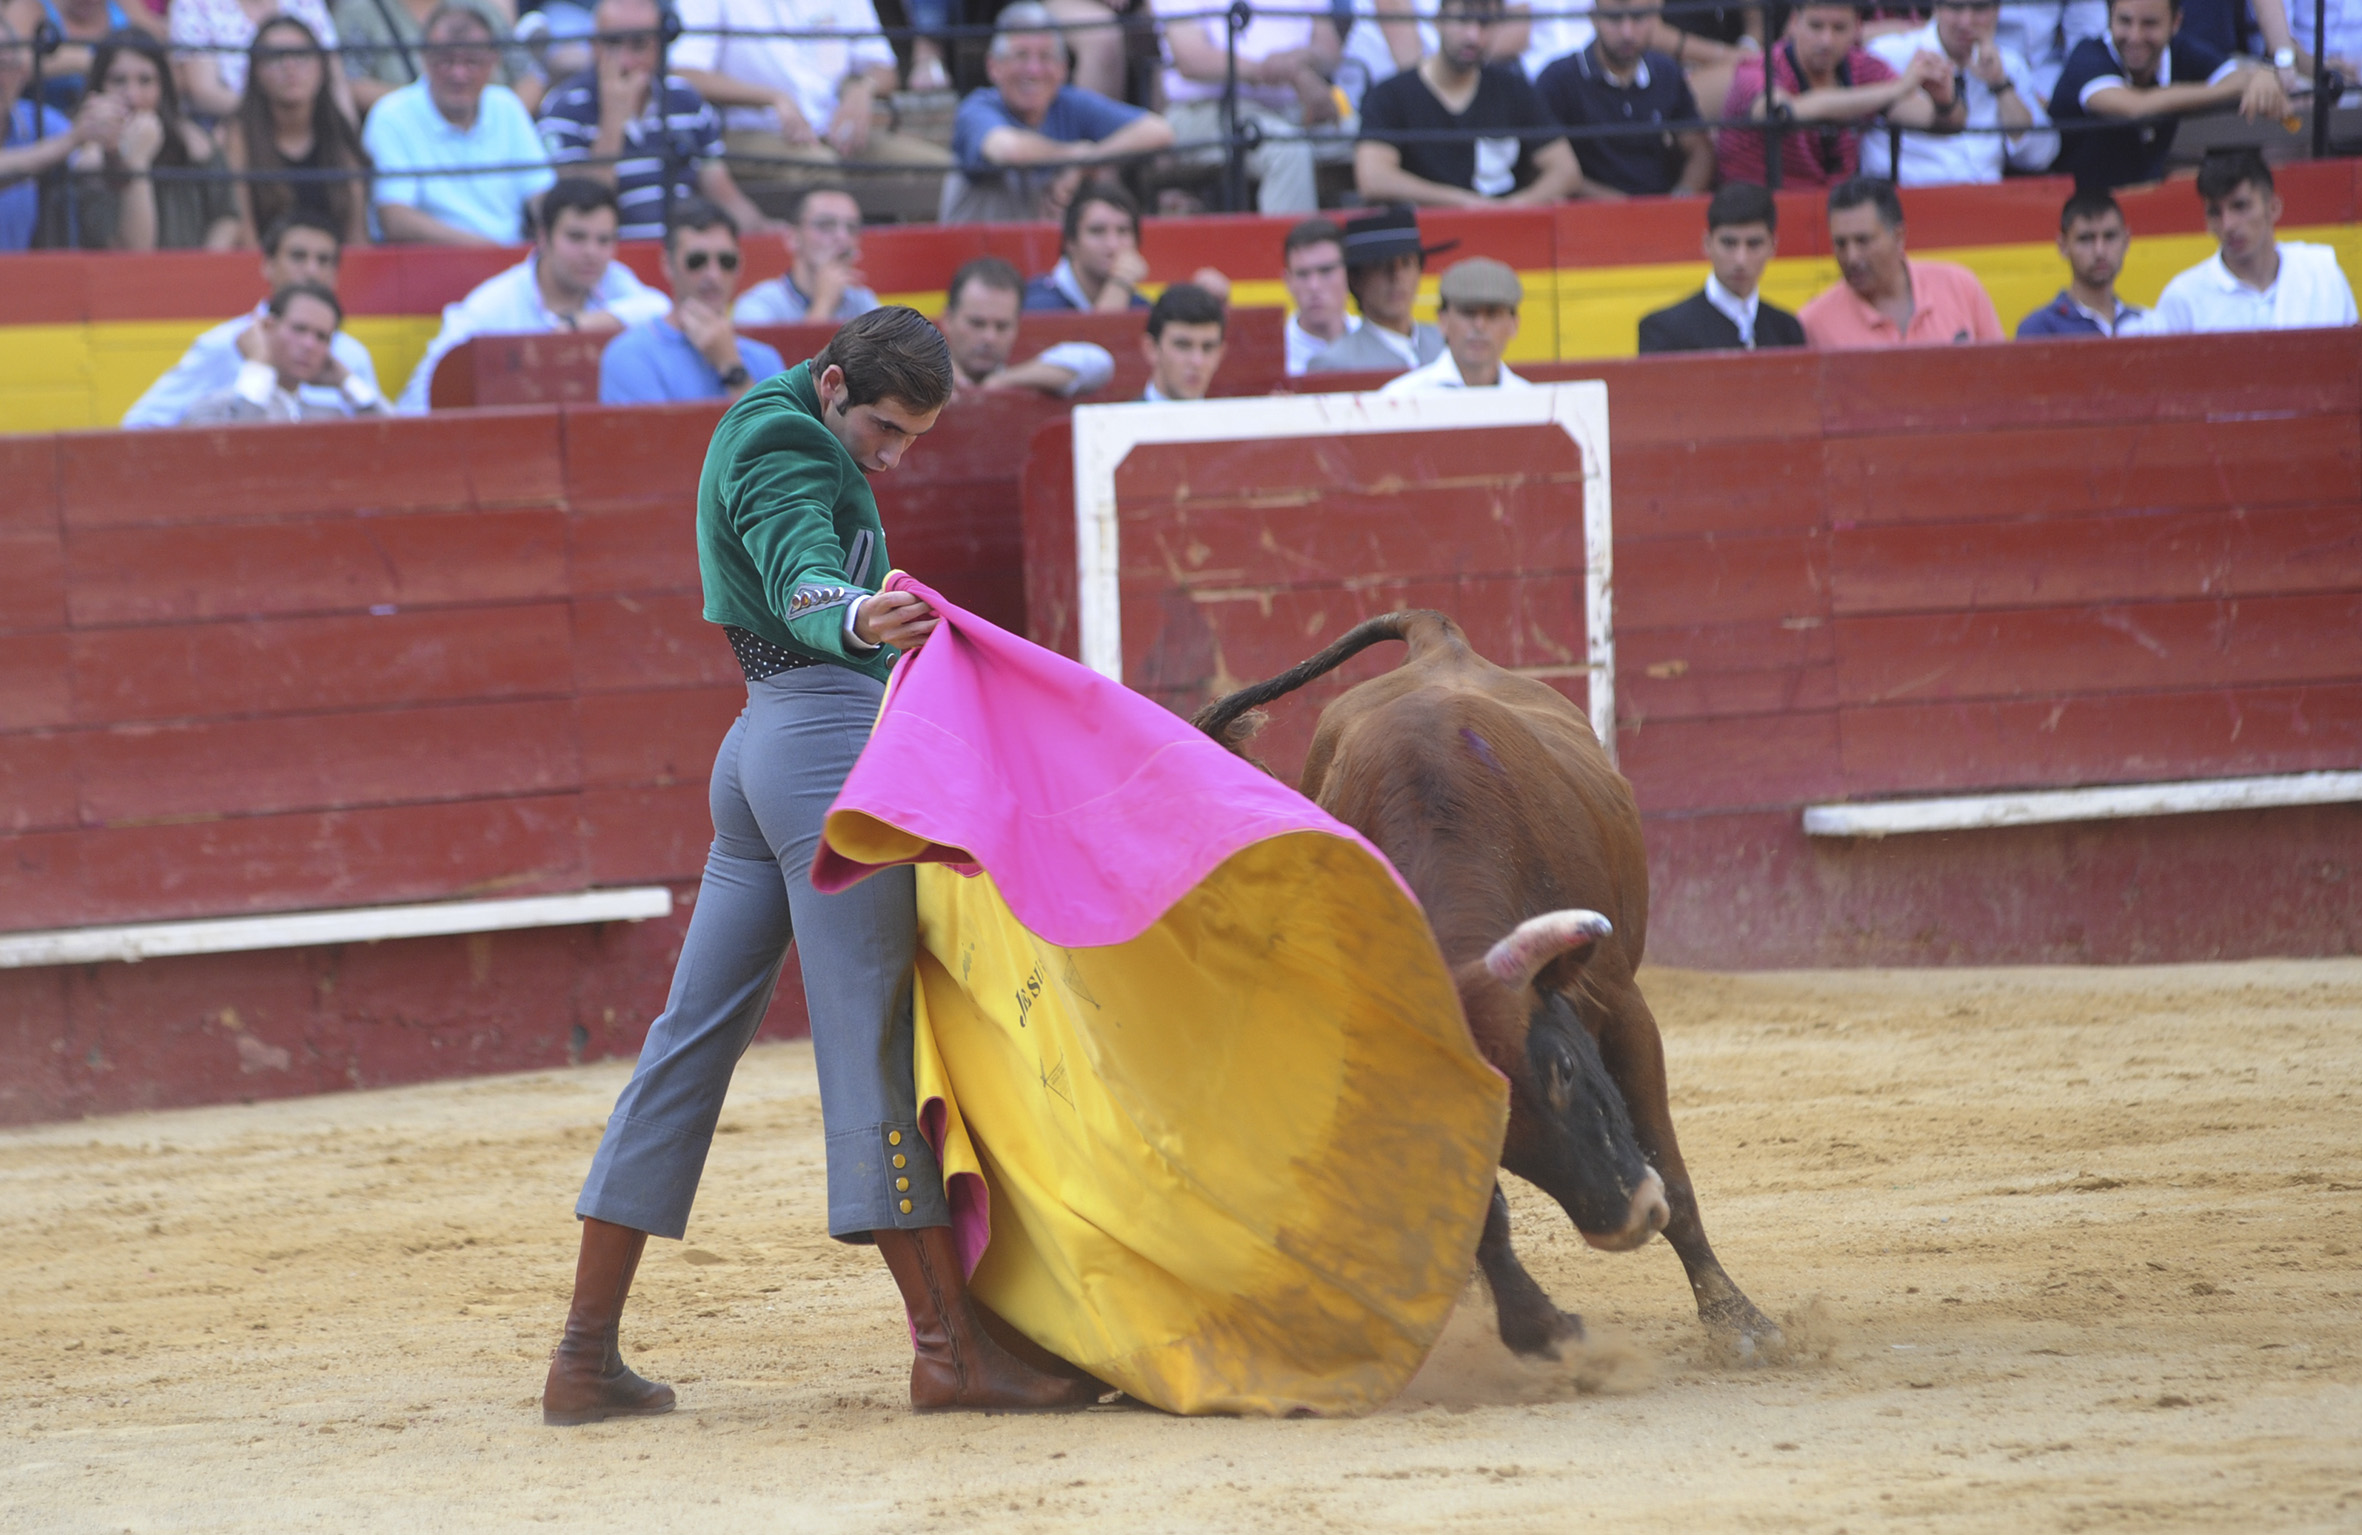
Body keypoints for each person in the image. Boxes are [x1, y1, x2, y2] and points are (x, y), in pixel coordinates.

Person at [544, 306, 1106, 1425]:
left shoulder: (772, 417)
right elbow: (802, 574)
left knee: (687, 1041)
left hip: (759, 740)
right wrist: (858, 615)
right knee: (872, 1046)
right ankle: (950, 1351)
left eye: (913, 439)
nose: (894, 457)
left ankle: (582, 1355)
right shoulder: (788, 441)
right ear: (836, 379)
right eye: (887, 430)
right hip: (821, 751)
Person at [394, 177, 670, 412]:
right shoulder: (493, 303)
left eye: (604, 240)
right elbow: (423, 389)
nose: (592, 252)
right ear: (543, 237)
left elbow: (660, 309)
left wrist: (581, 324)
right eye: (576, 237)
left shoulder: (614, 279)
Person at [668, 0, 951, 222]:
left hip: (835, 133)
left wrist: (864, 88)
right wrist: (770, 98)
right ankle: (840, 280)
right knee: (820, 171)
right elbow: (684, 74)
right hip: (748, 131)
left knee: (945, 172)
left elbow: (885, 69)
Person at [536, 0, 771, 243]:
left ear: (659, 47)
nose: (624, 61)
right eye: (612, 43)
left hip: (683, 259)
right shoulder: (564, 108)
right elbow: (583, 212)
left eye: (638, 44)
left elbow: (724, 194)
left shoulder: (685, 99)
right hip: (609, 261)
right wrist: (614, 118)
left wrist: (771, 234)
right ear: (594, 46)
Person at [124, 209, 381, 426]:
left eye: (323, 260)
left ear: (336, 275)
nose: (311, 271)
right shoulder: (223, 344)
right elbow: (142, 425)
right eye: (298, 256)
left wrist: (350, 385)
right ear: (267, 265)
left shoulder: (351, 356)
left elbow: (388, 437)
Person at [940, 2, 1174, 225]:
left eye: (1045, 57)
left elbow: (1158, 131)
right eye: (1021, 55)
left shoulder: (1069, 103)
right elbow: (1008, 150)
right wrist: (1074, 155)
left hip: (1043, 257)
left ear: (1063, 69)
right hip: (975, 258)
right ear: (994, 67)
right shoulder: (977, 107)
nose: (1034, 70)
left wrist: (1087, 162)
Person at [1357, 0, 1584, 208]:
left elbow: (1566, 171)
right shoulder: (1390, 94)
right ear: (1438, 21)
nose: (1473, 35)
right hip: (1424, 238)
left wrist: (1514, 207)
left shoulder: (1513, 90)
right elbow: (1373, 178)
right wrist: (1461, 202)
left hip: (1504, 236)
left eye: (1484, 23)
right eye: (1463, 20)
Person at [2049, 0, 2287, 191]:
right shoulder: (2088, 55)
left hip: (2142, 205)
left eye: (2149, 23)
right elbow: (2135, 106)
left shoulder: (2182, 49)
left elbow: (2234, 75)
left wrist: (2261, 75)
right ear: (2109, 17)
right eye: (2125, 21)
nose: (2135, 36)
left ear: (2176, 22)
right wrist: (2239, 84)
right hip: (2073, 209)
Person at [364, 5, 553, 245]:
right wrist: (489, 253)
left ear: (493, 61)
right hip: (429, 263)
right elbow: (396, 219)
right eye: (446, 61)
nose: (459, 74)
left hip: (512, 263)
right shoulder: (390, 115)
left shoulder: (507, 106)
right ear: (424, 58)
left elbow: (543, 197)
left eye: (472, 62)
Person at [1715, 0, 1955, 189]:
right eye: (1816, 26)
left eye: (1839, 28)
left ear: (1858, 28)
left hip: (1839, 213)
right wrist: (1896, 89)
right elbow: (1781, 112)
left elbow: (1930, 119)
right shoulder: (1757, 68)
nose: (1826, 40)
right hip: (1760, 216)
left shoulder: (1865, 67)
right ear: (1794, 23)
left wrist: (1944, 102)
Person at [45, 28, 238, 250]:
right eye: (119, 81)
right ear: (99, 86)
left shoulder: (196, 143)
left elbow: (227, 215)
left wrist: (204, 270)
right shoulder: (84, 157)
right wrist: (138, 161)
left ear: (162, 86)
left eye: (145, 81)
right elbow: (134, 250)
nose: (132, 96)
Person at [1149, 0, 1339, 214]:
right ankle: (1295, 245)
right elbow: (1191, 59)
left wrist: (1298, 60)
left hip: (1298, 106)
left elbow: (1330, 50)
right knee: (1287, 150)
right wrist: (1292, 74)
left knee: (1367, 136)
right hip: (1205, 110)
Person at [2148, 150, 2358, 332]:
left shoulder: (2321, 273)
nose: (2228, 225)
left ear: (2273, 208)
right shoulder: (2183, 297)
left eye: (2240, 206)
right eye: (2214, 213)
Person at [601, 200, 787, 404]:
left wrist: (732, 368)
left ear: (739, 266)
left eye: (726, 261)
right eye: (696, 261)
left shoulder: (764, 359)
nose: (713, 275)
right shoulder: (629, 356)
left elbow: (776, 437)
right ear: (667, 265)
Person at [1863, 0, 2058, 185]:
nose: (1966, 21)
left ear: (1997, 11)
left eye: (1979, 8)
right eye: (1956, 7)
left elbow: (2041, 157)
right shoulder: (1887, 54)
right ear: (1936, 7)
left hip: (1990, 203)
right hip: (1911, 200)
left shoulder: (2009, 64)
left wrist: (2000, 85)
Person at [1535, 1, 1713, 200]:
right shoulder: (1557, 79)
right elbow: (1542, 167)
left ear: (1654, 19)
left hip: (1661, 214)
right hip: (1585, 219)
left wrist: (1681, 197)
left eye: (1638, 18)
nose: (1627, 32)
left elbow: (1699, 150)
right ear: (1594, 18)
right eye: (1614, 19)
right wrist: (1624, 209)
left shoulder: (1667, 72)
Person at [1801, 175, 2004, 347]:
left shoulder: (1960, 287)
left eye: (1863, 241)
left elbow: (2003, 375)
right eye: (1841, 244)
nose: (1851, 257)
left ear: (1898, 237)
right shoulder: (1814, 324)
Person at [223, 16, 369, 249]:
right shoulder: (237, 137)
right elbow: (245, 236)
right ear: (256, 73)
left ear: (322, 68)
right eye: (276, 57)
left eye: (301, 56)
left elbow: (357, 237)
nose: (289, 67)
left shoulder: (340, 135)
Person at [1637, 181, 1807, 351]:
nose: (1741, 260)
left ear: (1773, 246)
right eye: (1729, 243)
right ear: (1707, 244)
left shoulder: (1787, 330)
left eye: (1754, 244)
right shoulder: (1665, 331)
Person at [184, 282, 387, 422]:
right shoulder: (212, 410)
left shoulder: (330, 417)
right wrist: (258, 364)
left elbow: (397, 444)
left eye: (322, 337)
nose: (309, 345)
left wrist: (347, 382)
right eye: (299, 329)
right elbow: (235, 454)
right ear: (267, 327)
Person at [0, 15, 108, 250]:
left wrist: (113, 139)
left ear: (21, 74)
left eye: (2, 65)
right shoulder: (60, 137)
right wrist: (70, 141)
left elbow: (86, 161)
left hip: (21, 278)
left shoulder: (40, 121)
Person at [937, 255, 1116, 396]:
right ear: (948, 319)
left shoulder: (1018, 372)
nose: (990, 337)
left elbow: (1100, 362)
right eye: (977, 323)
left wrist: (1004, 380)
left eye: (1002, 326)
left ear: (1017, 327)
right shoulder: (920, 373)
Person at [1306, 204, 1452, 376]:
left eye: (1406, 263)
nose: (1396, 276)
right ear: (1355, 279)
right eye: (1380, 265)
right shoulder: (1335, 364)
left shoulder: (1449, 342)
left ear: (1419, 270)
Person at [333, 0, 536, 116]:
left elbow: (529, 76)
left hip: (489, 141)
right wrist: (431, 108)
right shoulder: (360, 10)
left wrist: (492, 122)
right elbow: (347, 82)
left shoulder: (483, 7)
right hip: (406, 139)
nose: (459, 74)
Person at [168, 0, 352, 122]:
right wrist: (279, 118)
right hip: (231, 128)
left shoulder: (306, 3)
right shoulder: (195, 3)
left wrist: (347, 138)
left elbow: (335, 82)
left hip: (310, 126)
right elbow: (203, 92)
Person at [1379, 257, 1534, 392]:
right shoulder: (1402, 397)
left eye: (1492, 314)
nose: (1479, 325)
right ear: (1443, 321)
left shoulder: (1533, 403)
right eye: (1468, 313)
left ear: (1514, 325)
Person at [732, 185, 878, 324]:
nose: (842, 237)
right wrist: (824, 303)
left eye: (852, 228)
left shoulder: (863, 301)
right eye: (826, 225)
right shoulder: (758, 305)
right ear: (793, 237)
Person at [2016, 186, 2146, 336]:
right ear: (2063, 245)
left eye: (2110, 236)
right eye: (2086, 238)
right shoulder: (2040, 329)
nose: (2100, 251)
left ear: (2126, 240)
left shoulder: (2147, 323)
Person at [1, 0, 167, 115]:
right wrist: (88, 61)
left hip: (124, 119)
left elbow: (160, 51)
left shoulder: (125, 4)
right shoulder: (29, 7)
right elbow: (13, 63)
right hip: (48, 130)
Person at [1023, 180, 1150, 312]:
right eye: (1097, 231)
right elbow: (1097, 333)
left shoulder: (1140, 306)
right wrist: (1120, 283)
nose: (1113, 245)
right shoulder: (1037, 304)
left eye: (1123, 231)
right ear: (1070, 242)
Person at [1281, 217, 1360, 375]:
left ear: (1348, 274)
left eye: (1326, 271)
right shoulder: (1274, 351)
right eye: (1302, 274)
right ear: (1288, 281)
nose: (1314, 286)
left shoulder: (1373, 339)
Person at [1139, 282, 1226, 402]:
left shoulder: (1231, 420)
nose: (1197, 362)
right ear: (1151, 349)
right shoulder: (1119, 420)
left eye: (1208, 348)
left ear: (1220, 354)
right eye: (1183, 346)